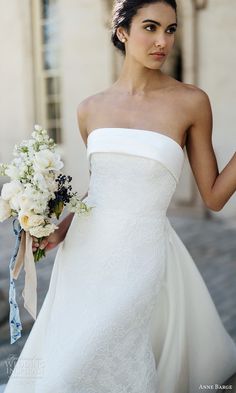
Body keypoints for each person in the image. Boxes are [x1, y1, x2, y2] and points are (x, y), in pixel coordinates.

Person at [4, 0, 236, 392]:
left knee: (96, 353)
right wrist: (59, 229)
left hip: (142, 255)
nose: (163, 41)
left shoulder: (191, 102)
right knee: (69, 356)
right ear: (122, 31)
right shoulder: (89, 109)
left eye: (171, 29)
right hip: (84, 255)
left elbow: (213, 197)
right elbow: (102, 187)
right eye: (150, 27)